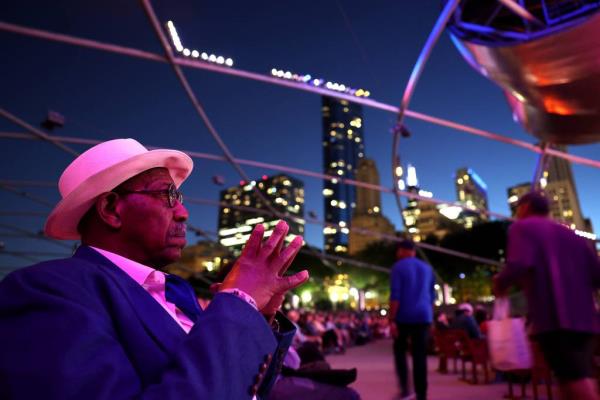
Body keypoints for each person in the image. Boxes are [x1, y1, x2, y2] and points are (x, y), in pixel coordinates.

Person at [0, 138, 309, 399]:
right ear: (111, 208)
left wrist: (258, 317)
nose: (184, 213)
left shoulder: (176, 291)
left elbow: (243, 385)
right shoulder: (46, 289)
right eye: (169, 195)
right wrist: (238, 303)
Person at [494, 191, 600, 400]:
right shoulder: (573, 235)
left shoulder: (522, 227)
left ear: (525, 208)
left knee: (573, 378)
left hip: (555, 316)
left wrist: (500, 282)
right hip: (587, 320)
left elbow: (519, 263)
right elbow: (597, 276)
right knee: (581, 373)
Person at [389, 239, 436, 400]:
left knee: (400, 352)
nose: (397, 254)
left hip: (404, 316)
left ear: (402, 250)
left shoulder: (398, 267)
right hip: (424, 316)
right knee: (419, 356)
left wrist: (392, 319)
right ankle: (421, 394)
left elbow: (396, 296)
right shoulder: (428, 269)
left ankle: (405, 389)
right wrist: (431, 320)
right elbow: (431, 298)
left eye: (398, 251)